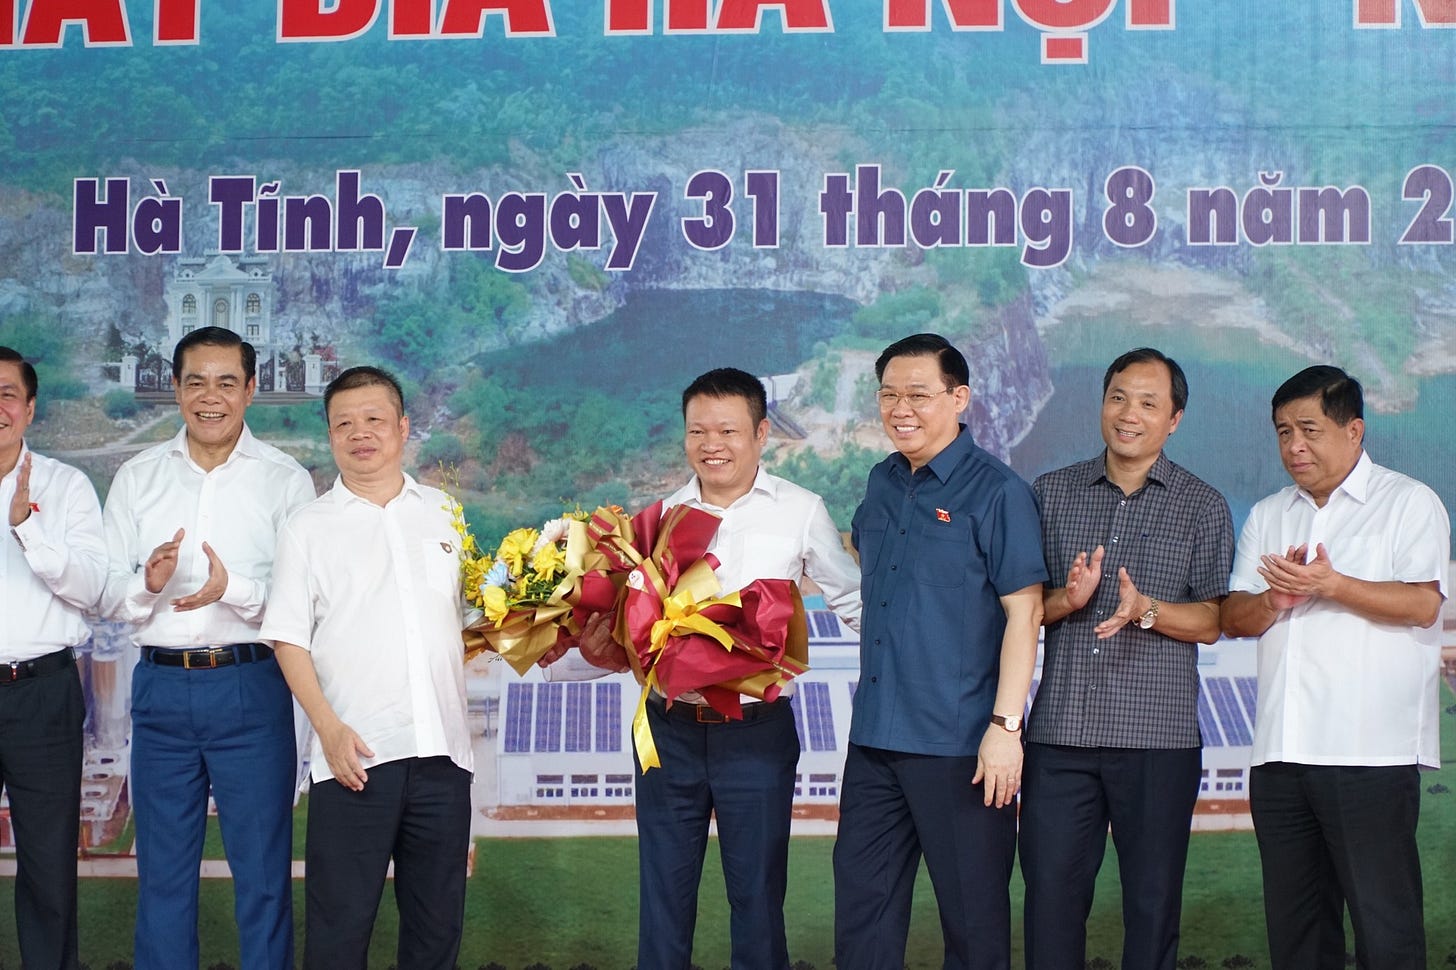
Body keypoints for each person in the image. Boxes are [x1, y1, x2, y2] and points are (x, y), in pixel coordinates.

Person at [559, 366, 861, 970]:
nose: (711, 444)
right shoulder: (657, 519)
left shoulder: (800, 510)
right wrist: (586, 650)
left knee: (757, 900)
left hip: (756, 734)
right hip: (667, 731)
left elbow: (854, 600)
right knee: (664, 900)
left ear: (761, 433)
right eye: (697, 431)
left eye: (727, 430)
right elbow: (625, 631)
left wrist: (926, 652)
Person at [100, 326, 314, 970]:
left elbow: (303, 602)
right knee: (162, 876)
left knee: (263, 877)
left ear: (251, 389)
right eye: (195, 382)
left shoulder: (285, 480)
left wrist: (233, 590)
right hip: (160, 689)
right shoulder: (137, 477)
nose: (210, 397)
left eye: (226, 382)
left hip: (251, 686)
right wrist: (148, 584)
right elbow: (110, 595)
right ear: (175, 389)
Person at [1221, 365, 1448, 970]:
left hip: (1369, 754)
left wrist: (1332, 584)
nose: (1295, 446)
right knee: (1297, 933)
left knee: (1385, 927)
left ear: (1354, 431)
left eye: (1310, 430)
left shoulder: (1408, 502)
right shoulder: (1269, 513)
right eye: (1283, 432)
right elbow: (1234, 617)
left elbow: (1423, 604)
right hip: (1280, 755)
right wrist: (1276, 600)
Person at [833, 333, 1046, 970]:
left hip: (961, 749)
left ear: (959, 398)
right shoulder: (881, 480)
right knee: (863, 919)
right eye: (889, 395)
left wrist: (1006, 728)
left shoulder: (998, 492)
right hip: (874, 741)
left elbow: (1025, 613)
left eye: (919, 395)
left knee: (974, 926)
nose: (901, 409)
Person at [1019, 347, 1234, 970]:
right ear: (1102, 404)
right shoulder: (1051, 493)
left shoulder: (1202, 504)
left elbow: (1213, 622)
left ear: (1174, 419)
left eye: (1147, 403)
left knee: (1152, 908)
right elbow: (1024, 610)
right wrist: (1069, 599)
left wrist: (1146, 609)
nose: (1128, 414)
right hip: (1061, 739)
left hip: (1158, 743)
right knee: (1050, 906)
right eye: (1118, 398)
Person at [261, 365, 474, 970]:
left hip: (443, 756)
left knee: (436, 932)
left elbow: (465, 625)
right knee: (338, 932)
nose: (361, 433)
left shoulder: (444, 513)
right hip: (354, 756)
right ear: (330, 436)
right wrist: (328, 731)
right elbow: (287, 639)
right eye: (344, 424)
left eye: (374, 419)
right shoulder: (307, 528)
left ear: (403, 428)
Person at [0, 346, 106, 970]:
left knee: (46, 863)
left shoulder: (65, 487)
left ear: (30, 408)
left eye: (7, 394)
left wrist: (28, 530)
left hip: (42, 692)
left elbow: (92, 589)